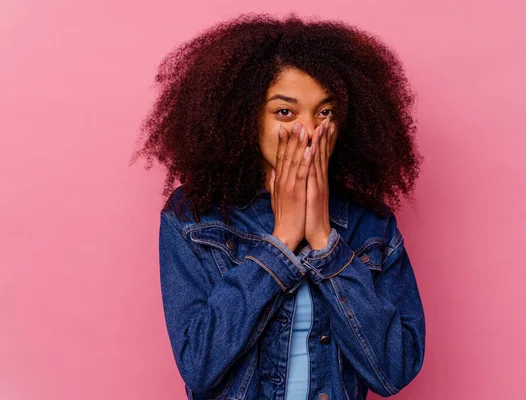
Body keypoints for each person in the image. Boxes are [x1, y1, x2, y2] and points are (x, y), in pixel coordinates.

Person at [131, 12, 426, 400]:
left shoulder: (371, 224)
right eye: (285, 112)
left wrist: (325, 241)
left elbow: (394, 372)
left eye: (324, 112)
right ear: (246, 119)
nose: (307, 133)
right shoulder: (193, 218)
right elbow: (199, 366)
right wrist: (281, 242)